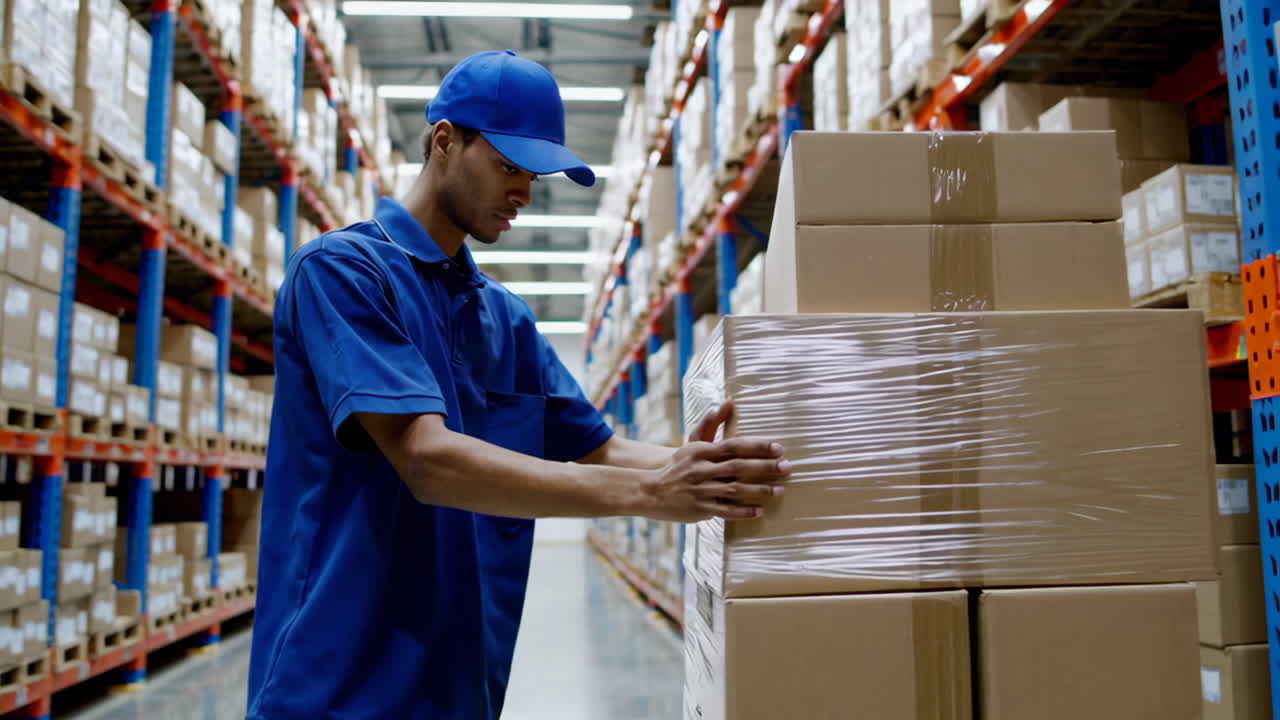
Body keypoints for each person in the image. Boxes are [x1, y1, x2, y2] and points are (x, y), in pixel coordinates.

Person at [245, 50, 790, 720]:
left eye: (535, 175)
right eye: (508, 167)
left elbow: (601, 449)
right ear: (445, 141)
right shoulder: (343, 273)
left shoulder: (504, 320)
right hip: (336, 684)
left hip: (459, 683)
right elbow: (426, 459)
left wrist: (724, 472)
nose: (525, 194)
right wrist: (654, 492)